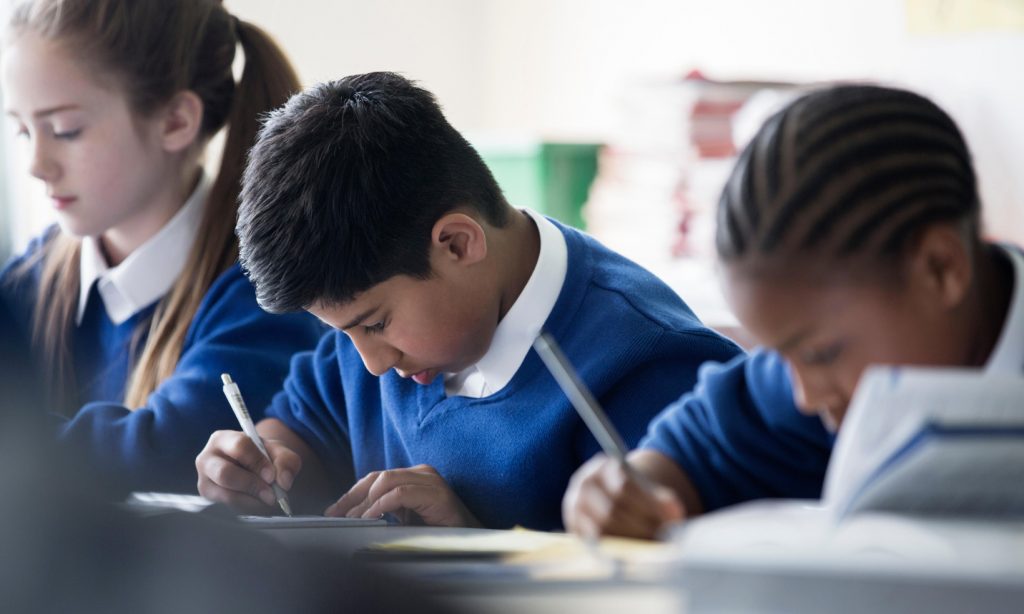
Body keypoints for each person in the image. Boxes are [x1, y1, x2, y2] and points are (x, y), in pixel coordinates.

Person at [195, 72, 742, 530]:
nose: (372, 362)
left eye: (376, 325)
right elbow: (303, 423)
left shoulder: (651, 369)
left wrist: (475, 541)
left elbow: (662, 583)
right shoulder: (375, 314)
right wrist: (258, 464)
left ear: (458, 243)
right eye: (344, 334)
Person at [563, 84, 1023, 539]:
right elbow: (690, 450)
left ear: (941, 270)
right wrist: (625, 492)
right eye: (782, 356)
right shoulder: (819, 380)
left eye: (821, 355)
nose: (803, 396)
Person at [0, 0, 323, 493]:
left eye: (66, 130)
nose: (36, 164)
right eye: (24, 131)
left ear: (175, 121)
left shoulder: (260, 291)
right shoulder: (32, 277)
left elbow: (170, 450)